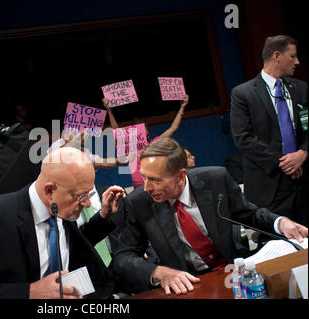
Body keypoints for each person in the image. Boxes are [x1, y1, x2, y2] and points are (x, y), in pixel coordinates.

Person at [112, 138, 307, 296]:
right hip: (190, 285)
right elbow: (123, 256)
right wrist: (158, 272)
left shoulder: (216, 179)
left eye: (155, 180)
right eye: (144, 177)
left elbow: (249, 214)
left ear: (181, 176)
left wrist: (280, 223)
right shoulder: (139, 202)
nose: (146, 187)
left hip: (235, 273)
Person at [0, 147, 126, 299]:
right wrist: (29, 292)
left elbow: (73, 245)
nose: (87, 203)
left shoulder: (61, 209)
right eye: (80, 196)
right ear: (49, 191)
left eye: (89, 194)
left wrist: (103, 216)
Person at [230, 35, 308, 226]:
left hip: (303, 181)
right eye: (293, 56)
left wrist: (302, 153)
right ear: (277, 56)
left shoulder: (301, 88)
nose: (297, 62)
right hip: (269, 183)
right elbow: (243, 138)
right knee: (280, 245)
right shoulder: (243, 94)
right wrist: (285, 162)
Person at [109, 94, 189, 188]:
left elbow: (173, 128)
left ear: (147, 131)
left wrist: (182, 108)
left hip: (156, 185)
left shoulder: (154, 144)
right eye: (137, 128)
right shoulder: (130, 148)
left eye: (142, 128)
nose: (140, 130)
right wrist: (108, 109)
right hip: (139, 188)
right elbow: (116, 130)